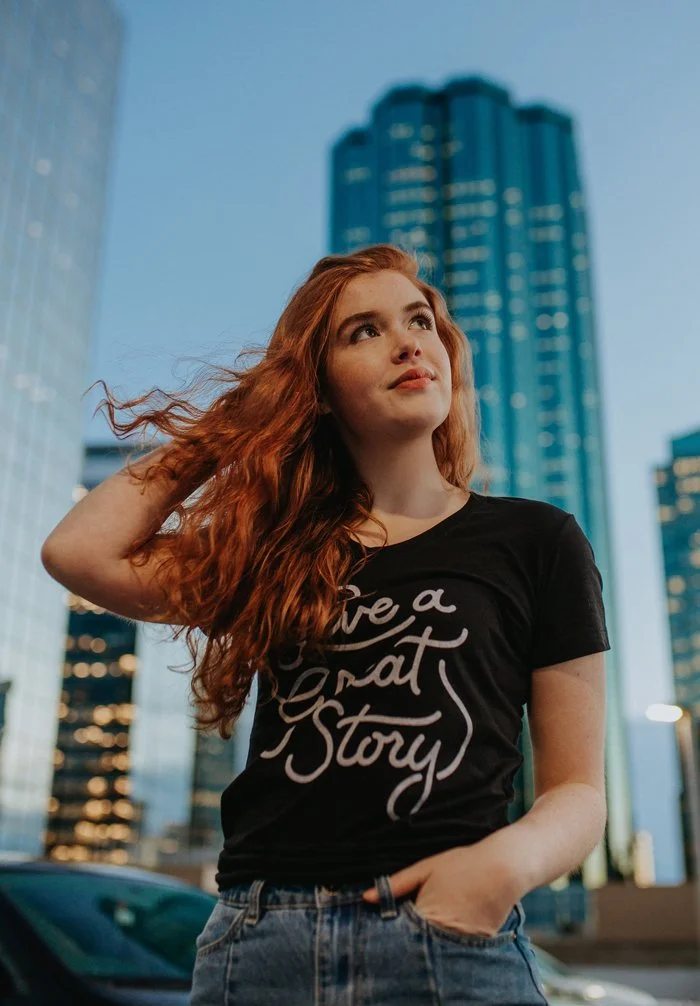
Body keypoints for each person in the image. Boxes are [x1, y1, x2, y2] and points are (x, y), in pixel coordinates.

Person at [41, 244, 609, 1004]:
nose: (410, 341)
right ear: (317, 389)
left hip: (449, 934)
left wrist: (497, 872)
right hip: (263, 941)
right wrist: (232, 428)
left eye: (420, 320)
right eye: (363, 332)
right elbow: (79, 552)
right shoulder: (274, 549)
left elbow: (577, 792)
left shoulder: (537, 542)